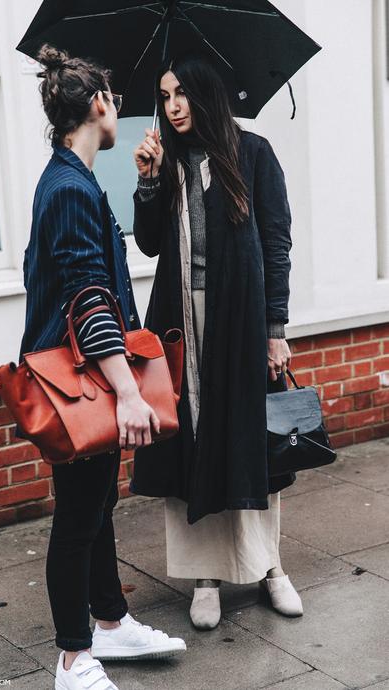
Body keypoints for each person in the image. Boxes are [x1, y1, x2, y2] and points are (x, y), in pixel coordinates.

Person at [18, 44, 186, 690]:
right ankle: (72, 658)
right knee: (77, 519)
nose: (122, 111)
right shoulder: (67, 188)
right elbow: (89, 297)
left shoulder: (75, 179)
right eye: (116, 101)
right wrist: (129, 391)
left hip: (84, 377)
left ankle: (110, 626)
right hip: (83, 381)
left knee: (95, 509)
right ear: (97, 105)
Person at [131, 54, 303, 630]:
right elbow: (151, 245)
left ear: (206, 93)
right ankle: (204, 578)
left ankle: (269, 567)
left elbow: (276, 243)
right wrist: (148, 181)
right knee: (194, 443)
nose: (173, 105)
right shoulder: (170, 162)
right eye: (165, 94)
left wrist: (275, 330)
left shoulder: (253, 155)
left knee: (248, 441)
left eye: (182, 92)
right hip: (183, 323)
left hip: (241, 320)